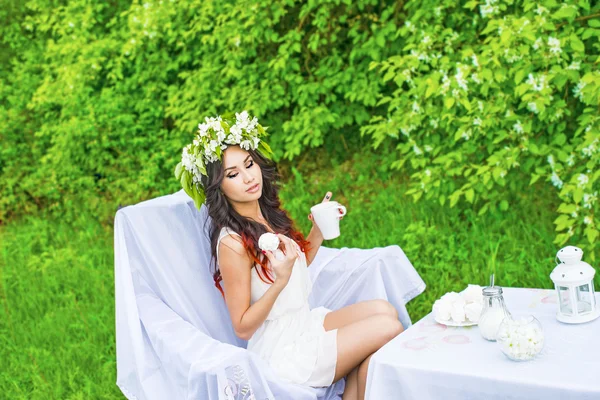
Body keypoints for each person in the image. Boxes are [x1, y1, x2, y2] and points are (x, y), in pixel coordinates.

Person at [174, 111, 404, 400]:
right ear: (219, 187)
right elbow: (242, 326)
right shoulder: (232, 243)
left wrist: (317, 229)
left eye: (249, 164)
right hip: (284, 351)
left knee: (385, 310)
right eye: (233, 174)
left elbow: (297, 263)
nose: (248, 177)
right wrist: (278, 282)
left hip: (304, 325)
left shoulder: (265, 213)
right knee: (388, 328)